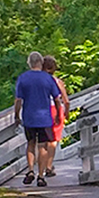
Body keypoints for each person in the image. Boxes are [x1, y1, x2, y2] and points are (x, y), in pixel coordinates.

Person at [13, 51, 64, 187]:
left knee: (30, 144)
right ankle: (41, 176)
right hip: (45, 118)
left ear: (29, 63)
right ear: (40, 63)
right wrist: (59, 114)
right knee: (43, 146)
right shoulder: (48, 78)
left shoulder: (23, 78)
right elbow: (57, 99)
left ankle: (30, 170)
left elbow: (18, 100)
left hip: (29, 117)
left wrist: (16, 115)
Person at [42, 56, 71, 178]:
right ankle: (48, 167)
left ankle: (41, 167)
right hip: (55, 109)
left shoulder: (39, 82)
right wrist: (66, 112)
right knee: (53, 140)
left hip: (42, 110)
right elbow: (66, 101)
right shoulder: (58, 82)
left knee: (42, 140)